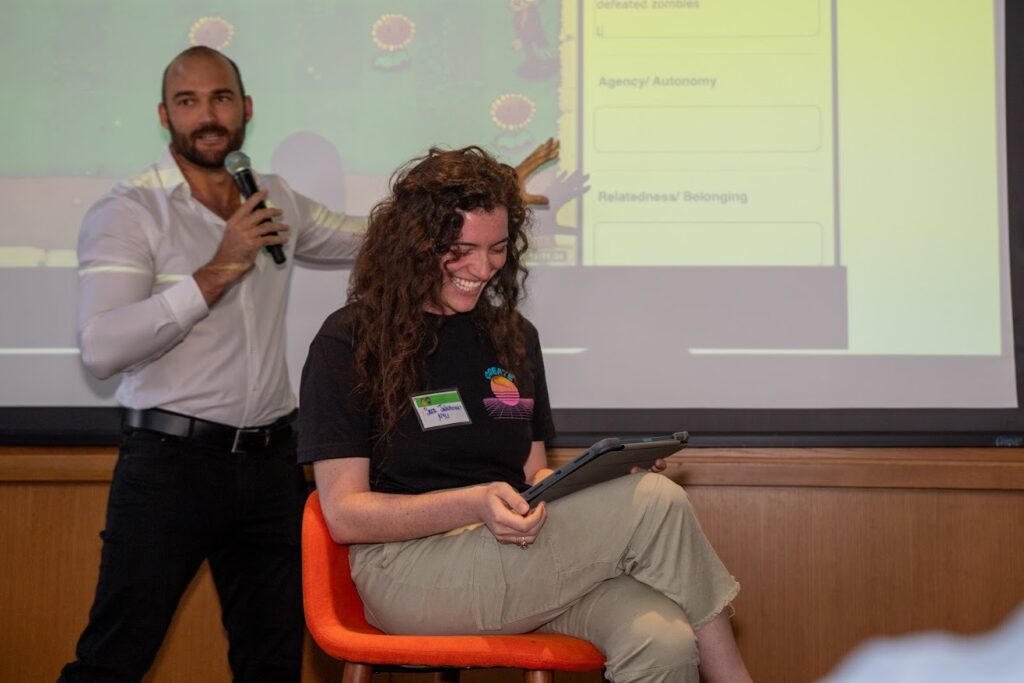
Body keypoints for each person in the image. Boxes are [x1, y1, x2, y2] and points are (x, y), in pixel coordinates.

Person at [62, 47, 556, 683]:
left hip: (270, 463)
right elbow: (101, 348)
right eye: (189, 102)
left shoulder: (276, 201)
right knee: (116, 654)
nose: (207, 115)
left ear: (246, 109)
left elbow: (384, 237)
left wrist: (481, 198)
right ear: (165, 115)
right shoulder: (128, 211)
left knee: (272, 659)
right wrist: (222, 264)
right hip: (169, 462)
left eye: (221, 98)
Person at [298, 146, 753, 683]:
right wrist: (472, 503)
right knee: (655, 502)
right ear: (414, 244)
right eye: (461, 249)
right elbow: (345, 514)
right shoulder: (348, 339)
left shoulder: (513, 336)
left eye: (495, 250)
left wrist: (596, 486)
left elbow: (534, 474)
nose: (482, 268)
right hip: (408, 573)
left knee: (665, 640)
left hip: (520, 556)